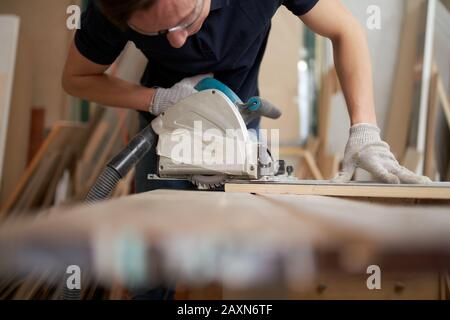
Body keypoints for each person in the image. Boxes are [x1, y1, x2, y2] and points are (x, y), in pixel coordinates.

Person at [62, 0, 431, 299]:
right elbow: (76, 79)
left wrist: (364, 130)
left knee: (244, 262)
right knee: (152, 264)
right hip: (165, 128)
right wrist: (156, 98)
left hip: (239, 127)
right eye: (158, 33)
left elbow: (345, 28)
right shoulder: (110, 8)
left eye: (185, 21)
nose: (176, 41)